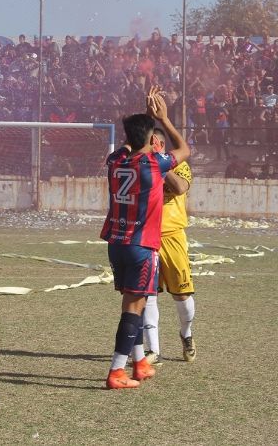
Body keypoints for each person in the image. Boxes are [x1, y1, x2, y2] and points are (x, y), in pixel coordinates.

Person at [100, 86, 190, 389]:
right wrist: (163, 118)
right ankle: (116, 371)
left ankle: (139, 363)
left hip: (116, 243)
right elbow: (185, 150)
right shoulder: (155, 163)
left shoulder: (114, 161)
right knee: (133, 308)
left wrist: (142, 127)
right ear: (152, 140)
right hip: (142, 246)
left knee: (132, 303)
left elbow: (128, 145)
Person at [142, 127, 197, 366]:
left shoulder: (178, 164)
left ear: (161, 144)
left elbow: (180, 188)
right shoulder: (142, 164)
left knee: (182, 294)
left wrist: (161, 165)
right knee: (148, 293)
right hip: (147, 236)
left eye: (153, 143)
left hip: (173, 236)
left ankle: (186, 334)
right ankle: (153, 350)